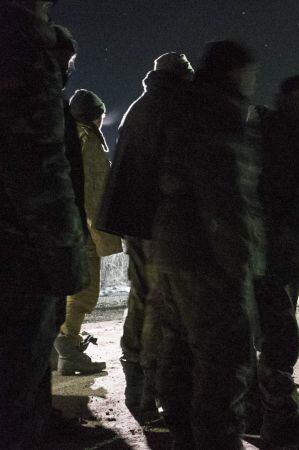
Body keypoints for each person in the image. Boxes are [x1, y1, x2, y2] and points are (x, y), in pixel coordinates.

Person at [151, 40, 265, 448]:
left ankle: (183, 438)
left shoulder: (182, 108)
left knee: (179, 352)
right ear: (234, 72)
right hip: (210, 259)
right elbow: (225, 195)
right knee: (223, 360)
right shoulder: (219, 113)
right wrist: (240, 260)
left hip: (174, 252)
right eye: (250, 73)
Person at [0, 1, 89, 447]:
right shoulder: (25, 60)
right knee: (18, 372)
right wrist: (68, 263)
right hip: (21, 256)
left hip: (19, 250)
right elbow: (42, 173)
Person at [97, 52, 194, 423]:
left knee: (144, 298)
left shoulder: (142, 106)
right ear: (181, 76)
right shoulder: (174, 107)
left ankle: (139, 386)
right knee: (161, 303)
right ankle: (151, 387)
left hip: (138, 223)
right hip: (161, 223)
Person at [248, 74, 299, 442]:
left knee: (257, 333)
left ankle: (253, 410)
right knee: (278, 336)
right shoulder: (287, 139)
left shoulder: (264, 132)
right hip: (276, 254)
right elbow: (286, 203)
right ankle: (279, 417)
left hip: (265, 252)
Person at [52, 90, 122, 377]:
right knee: (83, 292)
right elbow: (95, 193)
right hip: (84, 231)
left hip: (67, 226)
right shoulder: (88, 141)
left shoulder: (66, 135)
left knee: (70, 289)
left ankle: (61, 346)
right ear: (96, 116)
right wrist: (103, 235)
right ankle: (67, 349)